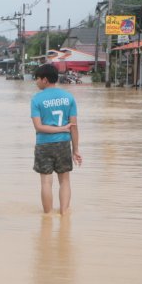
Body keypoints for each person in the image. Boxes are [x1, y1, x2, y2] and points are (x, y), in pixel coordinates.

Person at [30, 63, 81, 215]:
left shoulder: (36, 99)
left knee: (46, 181)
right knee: (65, 181)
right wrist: (76, 149)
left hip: (44, 144)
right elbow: (73, 126)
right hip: (64, 143)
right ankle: (64, 214)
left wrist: (58, 129)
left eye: (37, 79)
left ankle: (48, 216)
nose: (36, 82)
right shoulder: (69, 97)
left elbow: (38, 127)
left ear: (45, 80)